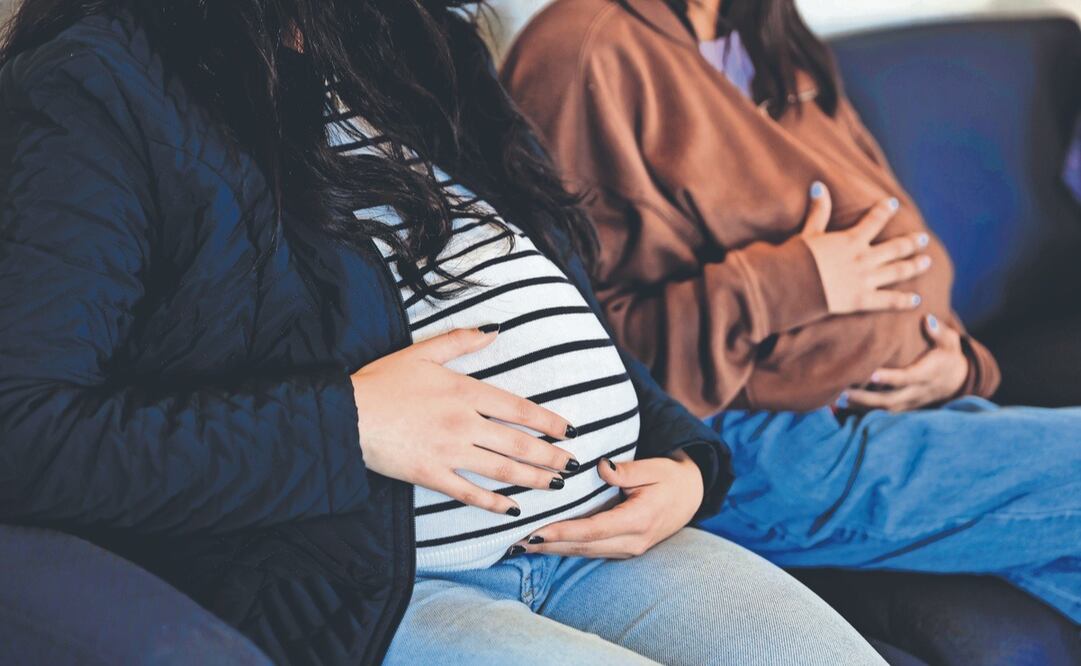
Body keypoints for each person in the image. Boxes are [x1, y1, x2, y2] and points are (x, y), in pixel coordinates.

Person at [0, 1, 886, 664]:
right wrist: (346, 424)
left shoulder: (416, 45)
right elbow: (23, 433)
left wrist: (685, 457)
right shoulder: (96, 87)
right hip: (375, 581)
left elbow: (545, 292)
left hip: (596, 534)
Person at [503, 0, 1081, 640]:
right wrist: (790, 281)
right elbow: (571, 340)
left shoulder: (763, 32)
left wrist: (957, 363)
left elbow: (882, 222)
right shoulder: (583, 49)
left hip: (880, 403)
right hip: (748, 442)